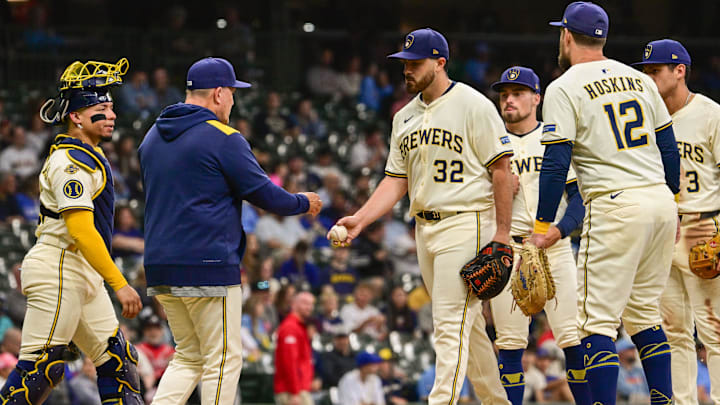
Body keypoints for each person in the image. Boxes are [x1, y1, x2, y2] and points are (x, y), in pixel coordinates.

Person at [332, 28, 513, 405]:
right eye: (404, 64)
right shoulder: (405, 116)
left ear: (440, 62)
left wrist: (502, 234)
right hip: (425, 229)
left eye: (416, 63)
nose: (407, 71)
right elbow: (396, 180)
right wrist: (361, 218)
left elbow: (501, 170)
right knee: (470, 329)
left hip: (467, 221)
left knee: (448, 326)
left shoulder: (473, 104)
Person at [139, 57, 322, 404]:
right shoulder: (223, 137)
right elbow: (266, 195)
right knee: (223, 358)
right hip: (207, 263)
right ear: (219, 94)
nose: (235, 102)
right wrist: (303, 202)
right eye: (233, 94)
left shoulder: (152, 136)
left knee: (189, 355)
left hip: (160, 264)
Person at [530, 3, 680, 404]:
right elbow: (669, 147)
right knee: (645, 314)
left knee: (594, 324)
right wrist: (674, 200)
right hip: (660, 201)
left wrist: (543, 225)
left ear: (566, 35)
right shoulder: (639, 79)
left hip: (616, 205)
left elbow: (556, 163)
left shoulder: (564, 86)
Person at [0, 57, 144, 404]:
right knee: (41, 369)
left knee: (119, 362)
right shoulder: (70, 161)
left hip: (82, 272)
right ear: (76, 116)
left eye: (111, 107)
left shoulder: (88, 154)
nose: (111, 115)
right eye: (101, 107)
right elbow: (80, 231)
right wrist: (120, 283)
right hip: (59, 268)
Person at [488, 66, 589, 405]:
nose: (509, 100)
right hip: (511, 250)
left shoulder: (554, 137)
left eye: (517, 93)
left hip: (555, 249)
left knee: (574, 338)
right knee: (510, 344)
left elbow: (579, 198)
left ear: (536, 98)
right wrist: (495, 189)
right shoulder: (489, 141)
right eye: (504, 95)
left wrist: (559, 232)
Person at [633, 38, 720, 405]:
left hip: (704, 227)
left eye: (656, 70)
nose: (649, 77)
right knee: (673, 331)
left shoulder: (710, 113)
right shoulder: (641, 117)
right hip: (662, 229)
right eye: (646, 71)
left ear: (680, 70)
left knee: (715, 331)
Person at [274, 292, 316, 405]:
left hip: (299, 389)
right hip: (292, 391)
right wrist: (294, 392)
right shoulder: (290, 327)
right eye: (305, 303)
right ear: (293, 304)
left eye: (311, 304)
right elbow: (289, 362)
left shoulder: (299, 326)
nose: (309, 307)